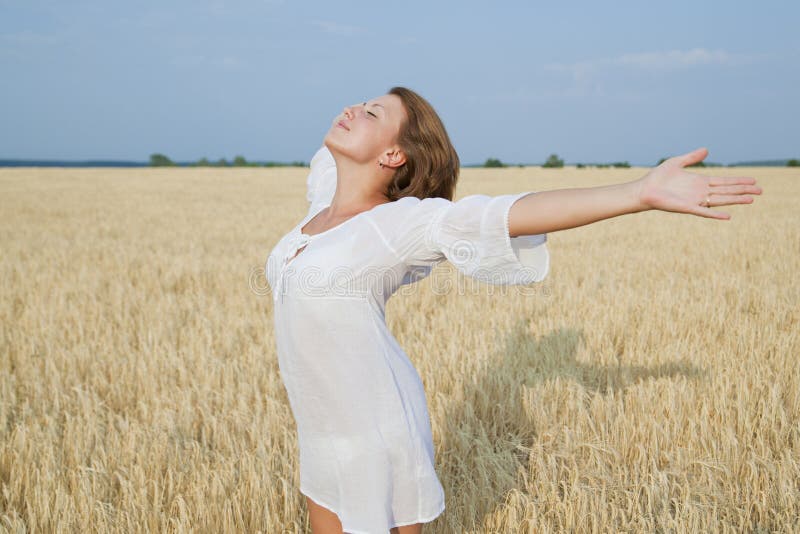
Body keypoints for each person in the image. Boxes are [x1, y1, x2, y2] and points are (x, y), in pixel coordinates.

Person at [264, 87, 761, 534]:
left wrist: (637, 194)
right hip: (320, 428)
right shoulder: (321, 197)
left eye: (373, 111)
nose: (352, 107)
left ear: (394, 153)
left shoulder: (403, 225)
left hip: (374, 426)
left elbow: (509, 213)